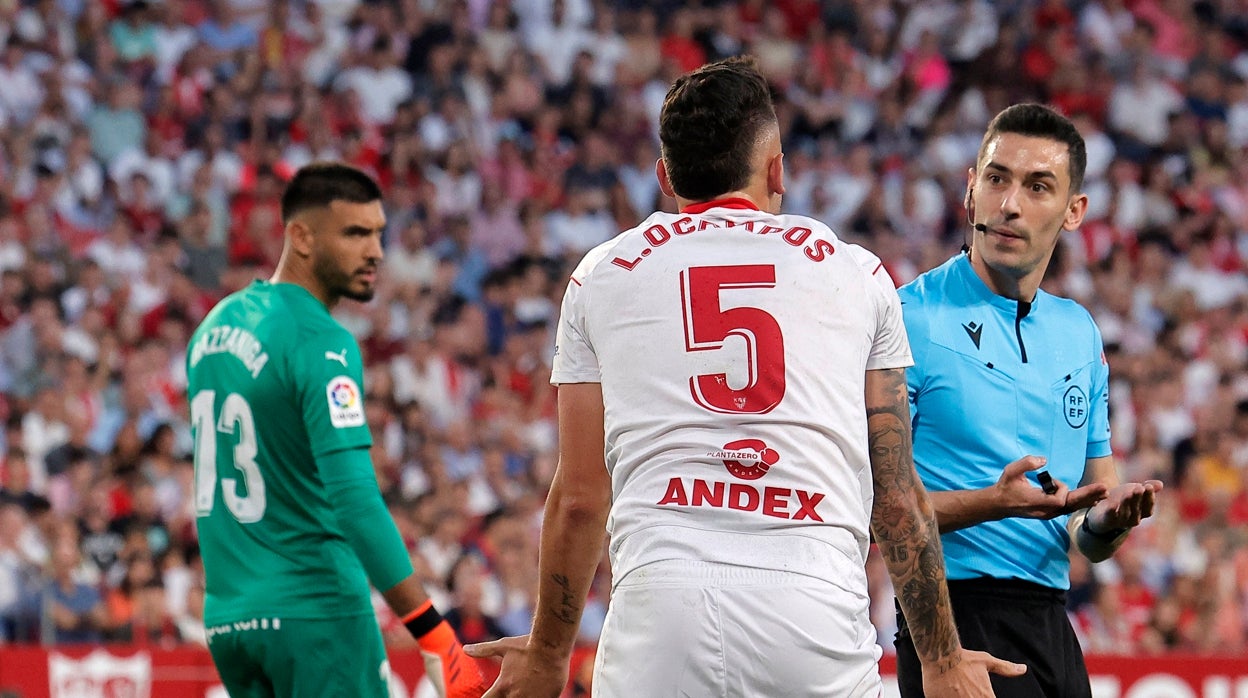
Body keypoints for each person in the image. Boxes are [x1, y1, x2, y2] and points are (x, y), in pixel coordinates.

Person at [465, 57, 1022, 697]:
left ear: (664, 177)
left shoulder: (602, 276)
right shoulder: (859, 275)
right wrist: (944, 661)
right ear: (776, 170)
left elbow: (582, 495)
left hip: (660, 609)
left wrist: (547, 656)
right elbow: (895, 497)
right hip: (812, 607)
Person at [893, 103, 1165, 698]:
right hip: (952, 623)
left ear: (1074, 212)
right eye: (997, 179)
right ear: (970, 189)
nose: (1010, 204)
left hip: (1052, 625)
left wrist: (1108, 520)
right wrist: (994, 503)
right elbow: (877, 513)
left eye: (1038, 186)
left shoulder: (1079, 332)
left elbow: (1086, 536)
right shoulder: (907, 317)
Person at [186, 162, 487, 698]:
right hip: (315, 614)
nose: (374, 251)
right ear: (300, 236)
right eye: (355, 233)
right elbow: (354, 499)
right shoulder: (322, 342)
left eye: (378, 233)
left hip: (231, 619)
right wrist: (431, 630)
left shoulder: (214, 327)